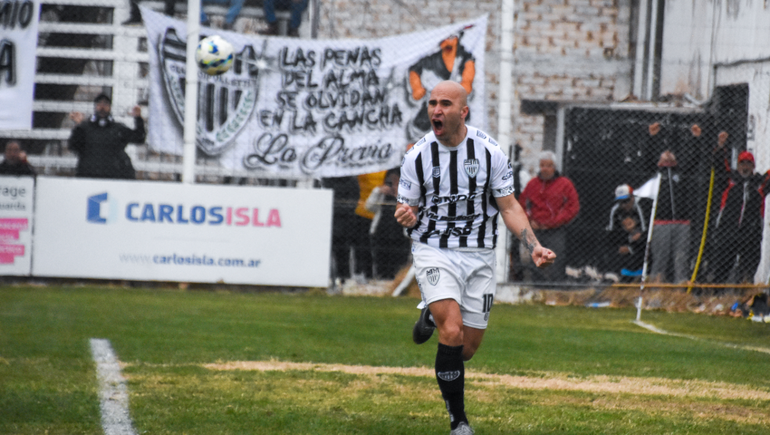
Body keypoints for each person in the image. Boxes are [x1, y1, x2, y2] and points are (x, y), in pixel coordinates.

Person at [395, 81, 556, 435]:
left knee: (465, 349)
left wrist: (534, 246)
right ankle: (459, 422)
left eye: (446, 104)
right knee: (451, 331)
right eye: (432, 103)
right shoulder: (416, 156)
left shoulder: (489, 153)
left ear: (463, 112)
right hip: (433, 249)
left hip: (479, 255)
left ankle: (430, 317)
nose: (436, 110)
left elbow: (510, 206)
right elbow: (407, 207)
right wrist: (406, 214)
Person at [710, 132, 768, 283]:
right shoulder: (730, 180)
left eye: (749, 163)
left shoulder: (759, 183)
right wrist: (721, 145)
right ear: (738, 164)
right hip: (727, 232)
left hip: (751, 235)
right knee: (721, 269)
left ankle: (744, 300)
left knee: (748, 272)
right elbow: (719, 165)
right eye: (742, 163)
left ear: (753, 166)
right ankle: (717, 299)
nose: (745, 166)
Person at [518, 151, 580, 282]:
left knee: (556, 262)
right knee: (536, 262)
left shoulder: (565, 184)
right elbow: (522, 205)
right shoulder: (532, 184)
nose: (545, 169)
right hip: (536, 230)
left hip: (556, 230)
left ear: (554, 167)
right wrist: (529, 220)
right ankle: (537, 291)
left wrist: (556, 221)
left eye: (548, 165)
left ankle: (555, 290)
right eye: (542, 165)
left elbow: (573, 207)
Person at [407, 31, 476, 142]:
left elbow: (468, 73)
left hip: (455, 105)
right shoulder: (432, 59)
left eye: (452, 38)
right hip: (433, 103)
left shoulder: (464, 58)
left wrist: (466, 83)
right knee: (419, 129)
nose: (448, 41)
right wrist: (417, 88)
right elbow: (414, 70)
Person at [68, 94, 145, 180]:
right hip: (89, 175)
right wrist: (78, 125)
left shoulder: (118, 129)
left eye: (105, 104)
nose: (102, 107)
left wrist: (138, 118)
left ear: (110, 107)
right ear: (95, 107)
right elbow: (74, 146)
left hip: (115, 176)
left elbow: (139, 138)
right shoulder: (85, 128)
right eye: (99, 104)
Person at [365, 167, 411, 279]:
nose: (393, 184)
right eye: (391, 181)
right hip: (381, 232)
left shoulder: (409, 193)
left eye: (397, 180)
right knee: (381, 262)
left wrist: (399, 195)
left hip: (400, 234)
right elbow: (369, 207)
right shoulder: (381, 192)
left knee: (399, 263)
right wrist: (378, 192)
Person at [604, 184, 647, 279]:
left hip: (639, 243)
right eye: (620, 202)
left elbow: (646, 231)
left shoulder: (641, 207)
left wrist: (631, 246)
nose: (624, 205)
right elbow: (612, 232)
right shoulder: (615, 210)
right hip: (624, 241)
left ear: (632, 198)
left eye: (626, 201)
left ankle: (642, 271)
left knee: (642, 239)